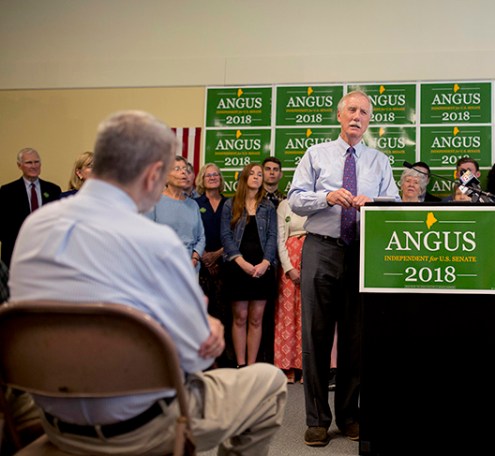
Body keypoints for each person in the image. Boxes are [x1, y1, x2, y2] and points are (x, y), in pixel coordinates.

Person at [8, 110, 286, 455]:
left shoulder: (35, 228)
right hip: (142, 428)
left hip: (54, 420)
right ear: (155, 173)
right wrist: (206, 327)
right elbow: (196, 358)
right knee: (269, 383)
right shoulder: (157, 242)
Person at [287, 90, 399, 447]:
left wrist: (376, 203)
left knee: (355, 339)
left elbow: (394, 204)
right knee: (315, 337)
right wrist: (327, 196)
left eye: (364, 112)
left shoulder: (380, 161)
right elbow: (295, 199)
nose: (357, 116)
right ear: (339, 116)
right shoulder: (316, 154)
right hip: (320, 249)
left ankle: (350, 416)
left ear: (369, 120)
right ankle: (317, 420)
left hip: (361, 253)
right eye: (351, 110)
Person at [221, 163, 277, 367]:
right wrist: (241, 262)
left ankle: (252, 366)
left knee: (256, 318)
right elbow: (225, 236)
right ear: (244, 177)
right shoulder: (231, 204)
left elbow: (273, 236)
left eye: (259, 174)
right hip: (238, 267)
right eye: (252, 174)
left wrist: (265, 262)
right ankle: (241, 364)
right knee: (240, 316)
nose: (256, 177)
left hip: (262, 268)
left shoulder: (268, 206)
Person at [0, 147, 61, 266]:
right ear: (19, 165)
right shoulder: (7, 191)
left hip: (46, 254)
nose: (33, 166)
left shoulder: (53, 190)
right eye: (29, 162)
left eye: (36, 162)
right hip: (17, 254)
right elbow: (3, 226)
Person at [146, 155, 205, 272]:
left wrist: (194, 258)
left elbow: (201, 237)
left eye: (185, 169)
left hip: (190, 269)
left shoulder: (193, 205)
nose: (183, 172)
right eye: (177, 169)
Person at [274, 198, 306, 383]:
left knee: (307, 315)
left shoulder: (320, 202)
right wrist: (288, 267)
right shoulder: (285, 205)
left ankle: (306, 367)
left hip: (312, 257)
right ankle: (287, 367)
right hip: (289, 262)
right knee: (287, 315)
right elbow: (280, 238)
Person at [194, 164, 227, 322]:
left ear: (220, 178)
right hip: (201, 263)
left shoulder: (230, 204)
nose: (213, 177)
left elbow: (235, 234)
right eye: (209, 175)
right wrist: (206, 257)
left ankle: (224, 346)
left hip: (225, 262)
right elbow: (192, 233)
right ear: (202, 179)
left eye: (216, 174)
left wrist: (217, 255)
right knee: (202, 311)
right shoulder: (194, 204)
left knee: (224, 311)